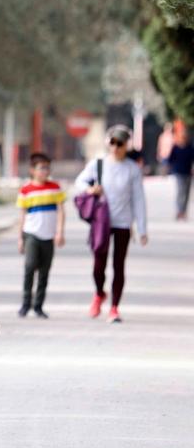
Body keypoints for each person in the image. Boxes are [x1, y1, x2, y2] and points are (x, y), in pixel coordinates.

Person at [75, 125, 147, 323]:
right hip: (102, 222)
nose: (115, 147)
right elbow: (79, 182)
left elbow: (138, 199)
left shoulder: (132, 169)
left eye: (120, 143)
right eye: (112, 142)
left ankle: (115, 307)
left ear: (126, 145)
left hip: (123, 222)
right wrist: (91, 189)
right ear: (108, 143)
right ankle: (99, 293)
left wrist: (142, 229)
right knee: (99, 263)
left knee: (118, 265)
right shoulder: (98, 164)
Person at [16, 152, 66, 319]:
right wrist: (20, 238)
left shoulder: (55, 188)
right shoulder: (26, 190)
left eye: (47, 168)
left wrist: (60, 232)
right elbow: (22, 215)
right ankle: (25, 304)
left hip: (49, 236)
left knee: (44, 272)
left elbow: (60, 211)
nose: (45, 171)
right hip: (31, 234)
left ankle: (38, 306)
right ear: (32, 170)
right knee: (30, 267)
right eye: (41, 168)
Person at [165, 122, 192, 221]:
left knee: (187, 192)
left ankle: (184, 211)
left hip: (188, 172)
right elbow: (170, 159)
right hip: (178, 172)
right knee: (180, 191)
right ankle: (179, 211)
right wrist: (168, 168)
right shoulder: (175, 147)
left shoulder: (190, 147)